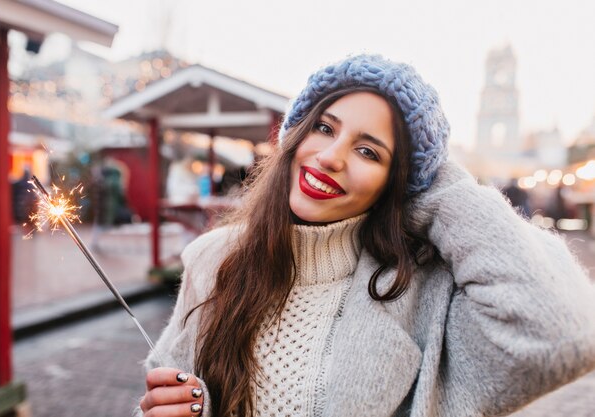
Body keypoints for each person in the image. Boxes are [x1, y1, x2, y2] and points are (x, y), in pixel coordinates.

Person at [137, 55, 595, 417]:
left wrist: (439, 185)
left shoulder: (426, 290)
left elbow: (563, 334)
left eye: (367, 151)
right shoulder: (213, 261)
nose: (330, 156)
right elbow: (162, 392)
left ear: (397, 183)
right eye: (323, 127)